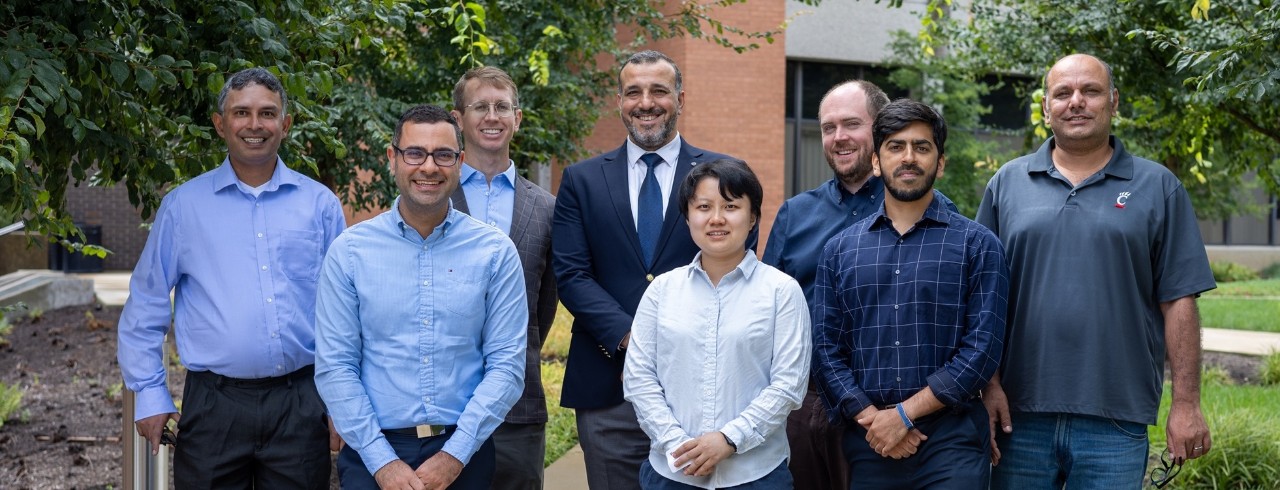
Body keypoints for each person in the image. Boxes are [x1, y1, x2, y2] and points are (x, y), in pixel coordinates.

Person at [979, 53, 1216, 488]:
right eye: (1062, 93)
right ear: (1046, 107)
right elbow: (982, 298)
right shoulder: (1006, 184)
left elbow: (1179, 299)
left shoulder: (1159, 187)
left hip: (1116, 419)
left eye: (1090, 91)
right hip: (1017, 415)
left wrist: (1186, 403)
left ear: (1113, 101)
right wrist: (987, 386)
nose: (1076, 102)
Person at [117, 67, 346, 488]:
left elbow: (345, 313)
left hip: (300, 403)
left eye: (267, 113)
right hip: (213, 406)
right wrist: (149, 395)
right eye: (241, 112)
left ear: (285, 125)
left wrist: (342, 403)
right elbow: (146, 304)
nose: (254, 125)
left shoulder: (321, 206)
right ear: (220, 124)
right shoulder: (183, 207)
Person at [552, 50, 741, 490]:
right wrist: (633, 341)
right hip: (608, 389)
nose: (646, 102)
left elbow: (731, 271)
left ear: (680, 99)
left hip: (699, 390)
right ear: (619, 101)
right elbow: (572, 275)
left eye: (659, 90)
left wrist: (668, 346)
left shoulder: (723, 176)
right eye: (633, 92)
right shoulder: (581, 180)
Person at [315, 104, 528, 490]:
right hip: (372, 454)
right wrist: (383, 464)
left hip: (465, 452)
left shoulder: (495, 252)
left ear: (459, 162)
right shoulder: (349, 252)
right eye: (414, 153)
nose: (429, 167)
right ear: (392, 158)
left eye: (443, 154)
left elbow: (506, 367)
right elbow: (336, 366)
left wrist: (453, 457)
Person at [762, 80, 956, 490]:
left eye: (851, 124)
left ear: (881, 128)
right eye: (828, 127)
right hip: (802, 401)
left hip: (891, 408)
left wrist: (893, 417)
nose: (839, 137)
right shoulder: (795, 215)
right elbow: (765, 314)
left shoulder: (931, 210)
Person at [812, 98, 1009, 489]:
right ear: (876, 161)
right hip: (870, 441)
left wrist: (902, 415)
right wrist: (875, 420)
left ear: (940, 163)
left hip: (952, 441)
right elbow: (825, 349)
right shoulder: (839, 251)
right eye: (896, 147)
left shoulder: (978, 245)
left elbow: (982, 350)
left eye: (921, 147)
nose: (908, 158)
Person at [623, 159, 810, 490]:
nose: (717, 218)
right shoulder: (662, 291)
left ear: (752, 217)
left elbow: (788, 385)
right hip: (672, 473)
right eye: (704, 207)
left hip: (756, 475)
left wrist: (729, 439)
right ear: (688, 217)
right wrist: (678, 445)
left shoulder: (781, 291)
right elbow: (639, 378)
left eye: (731, 206)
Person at [449, 66, 558, 490]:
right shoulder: (433, 196)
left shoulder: (547, 208)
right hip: (445, 406)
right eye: (480, 107)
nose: (492, 116)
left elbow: (544, 305)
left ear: (518, 118)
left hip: (519, 406)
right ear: (458, 119)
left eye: (502, 107)